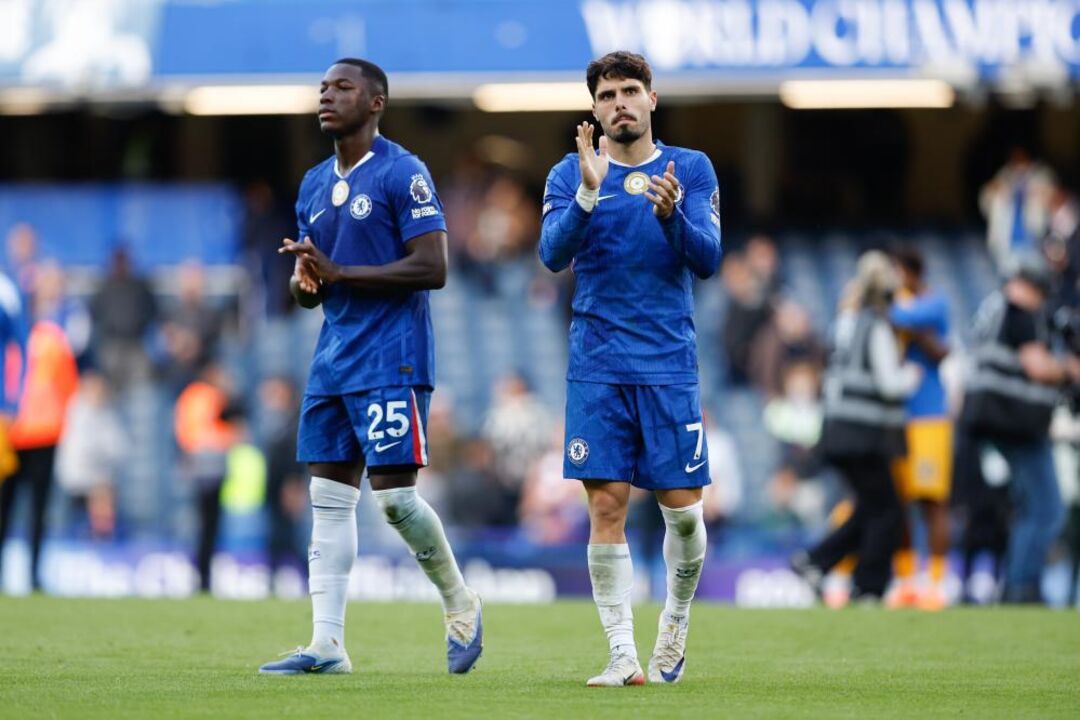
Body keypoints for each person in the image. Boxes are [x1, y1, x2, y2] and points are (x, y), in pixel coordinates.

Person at [259, 58, 481, 676]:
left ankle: (460, 603)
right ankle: (327, 644)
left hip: (392, 356)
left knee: (394, 502)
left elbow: (433, 266)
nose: (326, 96)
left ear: (376, 102)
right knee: (327, 499)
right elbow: (314, 289)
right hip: (334, 355)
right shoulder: (311, 185)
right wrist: (308, 282)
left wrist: (339, 273)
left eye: (342, 87)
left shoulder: (402, 172)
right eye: (323, 88)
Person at [539, 51, 722, 686]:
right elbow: (550, 255)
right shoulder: (570, 173)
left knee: (684, 515)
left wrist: (672, 219)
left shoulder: (690, 170)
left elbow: (708, 260)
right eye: (607, 94)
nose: (619, 102)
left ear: (651, 99)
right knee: (606, 508)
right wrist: (588, 194)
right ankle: (622, 653)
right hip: (597, 364)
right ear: (593, 107)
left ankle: (675, 617)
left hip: (669, 364)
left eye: (630, 90)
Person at [791, 251, 920, 603]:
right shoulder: (875, 326)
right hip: (862, 434)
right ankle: (868, 586)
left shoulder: (845, 323)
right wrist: (911, 376)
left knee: (871, 505)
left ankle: (815, 562)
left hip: (836, 430)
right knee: (888, 509)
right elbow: (889, 383)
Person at [961, 253, 1071, 603]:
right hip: (1016, 423)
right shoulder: (1018, 311)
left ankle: (1019, 584)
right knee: (1047, 509)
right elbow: (1037, 366)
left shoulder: (993, 309)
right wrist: (1067, 367)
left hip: (994, 419)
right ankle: (1022, 586)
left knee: (1030, 509)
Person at [886, 247, 953, 611]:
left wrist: (896, 315)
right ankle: (908, 578)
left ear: (911, 272)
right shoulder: (907, 302)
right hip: (899, 417)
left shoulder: (934, 303)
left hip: (929, 416)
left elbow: (894, 315)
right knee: (901, 501)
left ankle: (938, 580)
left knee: (932, 499)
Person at [174, 362, 238, 593]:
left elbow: (184, 433)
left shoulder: (189, 396)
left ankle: (201, 577)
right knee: (210, 527)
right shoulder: (212, 396)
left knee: (203, 527)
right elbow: (229, 430)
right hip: (211, 468)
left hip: (196, 467)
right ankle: (204, 578)